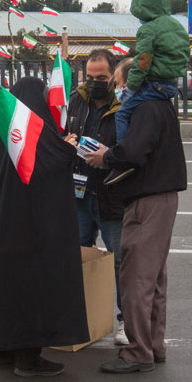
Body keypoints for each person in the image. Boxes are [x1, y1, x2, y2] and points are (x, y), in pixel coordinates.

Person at [0, 76, 90, 377]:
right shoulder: (28, 131)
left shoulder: (7, 127)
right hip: (26, 230)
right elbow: (41, 168)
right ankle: (27, 358)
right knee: (30, 287)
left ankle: (2, 349)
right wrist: (67, 149)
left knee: (6, 286)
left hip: (3, 226)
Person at [85, 58, 187, 373]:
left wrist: (107, 156)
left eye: (118, 83)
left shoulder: (145, 109)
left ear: (133, 83)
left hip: (147, 199)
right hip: (160, 197)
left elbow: (134, 151)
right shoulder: (160, 104)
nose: (117, 90)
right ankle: (153, 345)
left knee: (136, 277)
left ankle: (138, 351)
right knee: (154, 278)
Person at [67, 49, 127, 345]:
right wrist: (67, 141)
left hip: (111, 196)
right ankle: (81, 318)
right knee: (78, 255)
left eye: (101, 78)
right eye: (89, 77)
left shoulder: (123, 104)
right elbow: (62, 132)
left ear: (113, 76)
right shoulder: (76, 100)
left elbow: (133, 148)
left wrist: (108, 157)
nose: (94, 83)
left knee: (120, 261)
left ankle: (125, 321)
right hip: (78, 194)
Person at [107, 0, 190, 184]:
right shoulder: (177, 26)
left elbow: (143, 61)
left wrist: (131, 88)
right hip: (170, 84)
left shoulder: (149, 29)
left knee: (122, 113)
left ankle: (122, 160)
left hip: (154, 83)